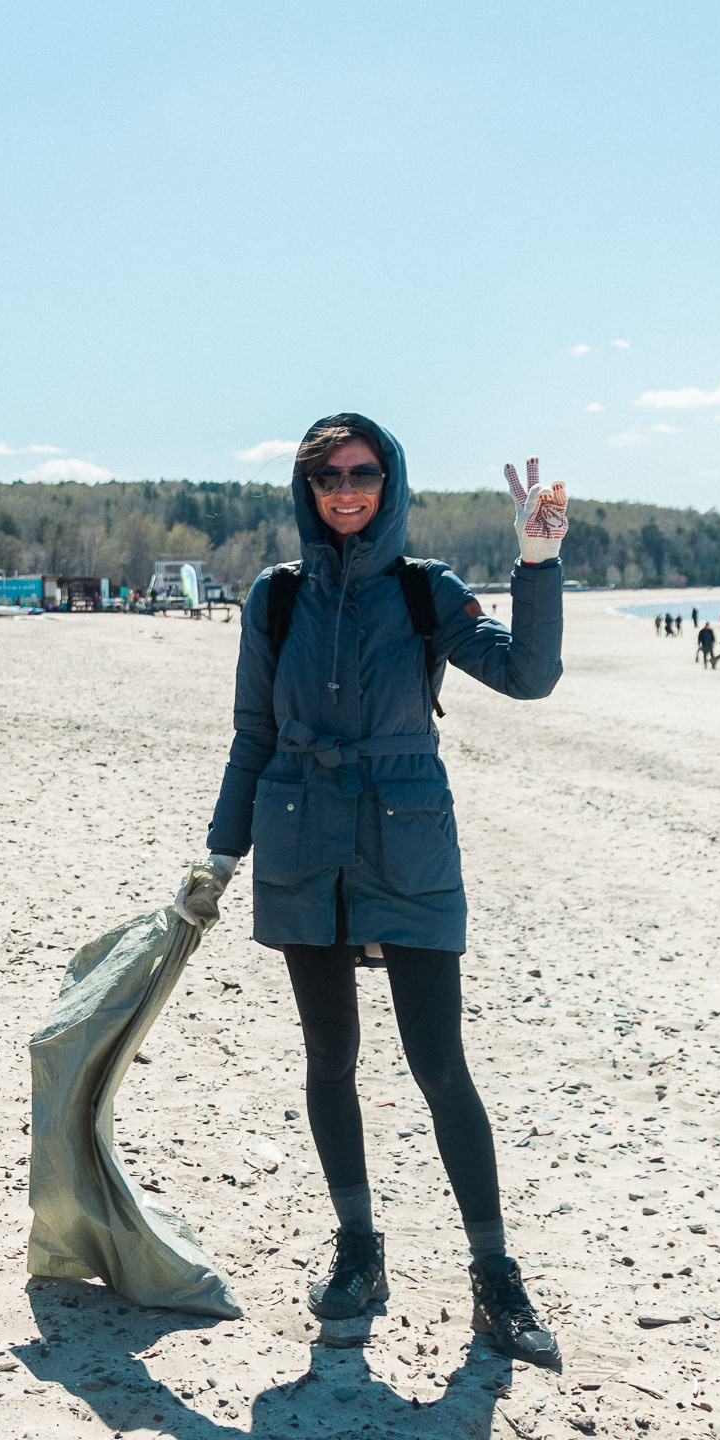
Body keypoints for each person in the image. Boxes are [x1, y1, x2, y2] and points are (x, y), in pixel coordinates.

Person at [175, 416, 565, 1369]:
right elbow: (251, 736)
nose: (345, 491)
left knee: (440, 1065)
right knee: (330, 1057)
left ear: (390, 481)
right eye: (326, 478)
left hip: (406, 838)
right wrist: (219, 860)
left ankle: (494, 1273)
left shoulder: (424, 590)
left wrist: (537, 559)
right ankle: (360, 1250)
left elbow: (531, 673)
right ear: (305, 490)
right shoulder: (275, 599)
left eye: (362, 474)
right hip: (304, 839)